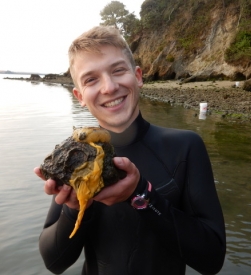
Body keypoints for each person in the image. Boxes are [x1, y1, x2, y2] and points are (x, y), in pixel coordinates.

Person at [34, 26, 226, 275]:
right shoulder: (74, 158)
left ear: (138, 76)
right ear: (79, 96)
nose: (109, 87)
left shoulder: (185, 147)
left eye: (118, 70)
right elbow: (54, 262)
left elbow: (212, 259)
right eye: (91, 79)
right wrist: (73, 208)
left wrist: (142, 196)